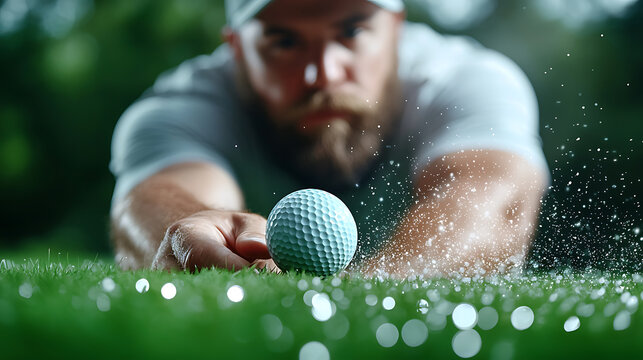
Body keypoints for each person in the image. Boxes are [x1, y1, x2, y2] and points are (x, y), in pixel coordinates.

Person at [109, 0, 549, 278]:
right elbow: (158, 197)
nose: (323, 73)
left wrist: (369, 289)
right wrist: (190, 231)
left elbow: (491, 205)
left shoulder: (470, 80)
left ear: (396, 28)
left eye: (352, 32)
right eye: (284, 41)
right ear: (236, 48)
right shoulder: (177, 107)